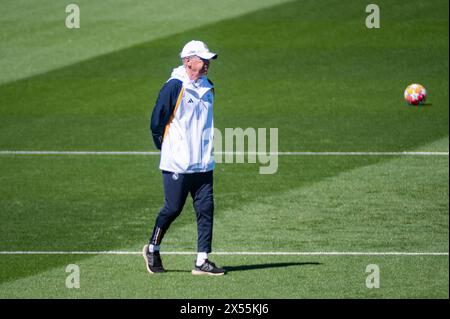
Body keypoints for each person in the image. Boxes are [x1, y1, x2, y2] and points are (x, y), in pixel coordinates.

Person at [143, 40, 225, 276]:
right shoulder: (174, 86)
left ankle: (202, 260)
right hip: (178, 163)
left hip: (203, 164)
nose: (207, 64)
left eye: (208, 60)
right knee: (173, 209)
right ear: (188, 61)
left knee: (206, 208)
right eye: (203, 60)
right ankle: (152, 248)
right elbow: (156, 122)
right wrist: (169, 149)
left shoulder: (208, 86)